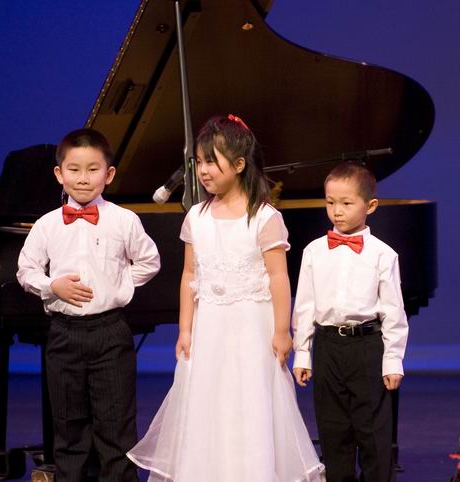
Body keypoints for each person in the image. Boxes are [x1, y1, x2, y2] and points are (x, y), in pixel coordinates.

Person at [128, 115, 324, 482]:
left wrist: (283, 331)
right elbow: (190, 276)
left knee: (250, 402)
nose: (203, 171)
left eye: (211, 162)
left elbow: (279, 278)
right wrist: (185, 329)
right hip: (210, 327)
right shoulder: (197, 217)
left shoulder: (264, 218)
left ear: (238, 164)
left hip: (252, 328)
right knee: (208, 402)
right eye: (200, 162)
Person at [17, 128, 161, 482]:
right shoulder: (47, 225)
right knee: (69, 430)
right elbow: (26, 270)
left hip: (109, 332)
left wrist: (117, 286)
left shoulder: (124, 220)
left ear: (108, 175)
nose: (83, 178)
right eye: (74, 169)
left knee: (117, 427)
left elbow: (149, 261)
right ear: (59, 174)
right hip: (64, 334)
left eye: (93, 169)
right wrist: (52, 286)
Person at [291, 162, 409, 482]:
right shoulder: (314, 251)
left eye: (346, 203)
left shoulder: (383, 255)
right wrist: (302, 353)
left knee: (372, 434)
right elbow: (305, 306)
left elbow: (393, 312)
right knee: (333, 432)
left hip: (367, 347)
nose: (337, 211)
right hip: (328, 347)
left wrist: (392, 360)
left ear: (370, 206)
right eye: (330, 202)